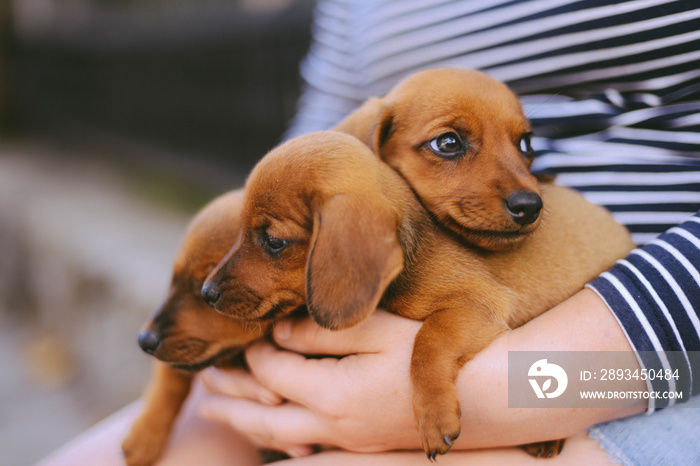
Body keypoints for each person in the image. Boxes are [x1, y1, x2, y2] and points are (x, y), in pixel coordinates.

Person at [39, 0, 700, 464]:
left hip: (667, 370)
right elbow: (317, 151)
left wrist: (520, 392)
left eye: (524, 148)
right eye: (447, 144)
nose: (521, 188)